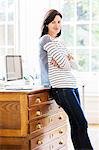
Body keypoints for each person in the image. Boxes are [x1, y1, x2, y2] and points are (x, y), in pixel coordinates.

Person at [39, 9, 93, 150]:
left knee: (76, 123)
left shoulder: (59, 42)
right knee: (82, 122)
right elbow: (66, 65)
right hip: (62, 88)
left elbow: (74, 65)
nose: (57, 25)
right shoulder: (46, 39)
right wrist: (65, 60)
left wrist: (65, 60)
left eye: (59, 22)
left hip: (71, 86)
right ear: (47, 24)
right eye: (53, 22)